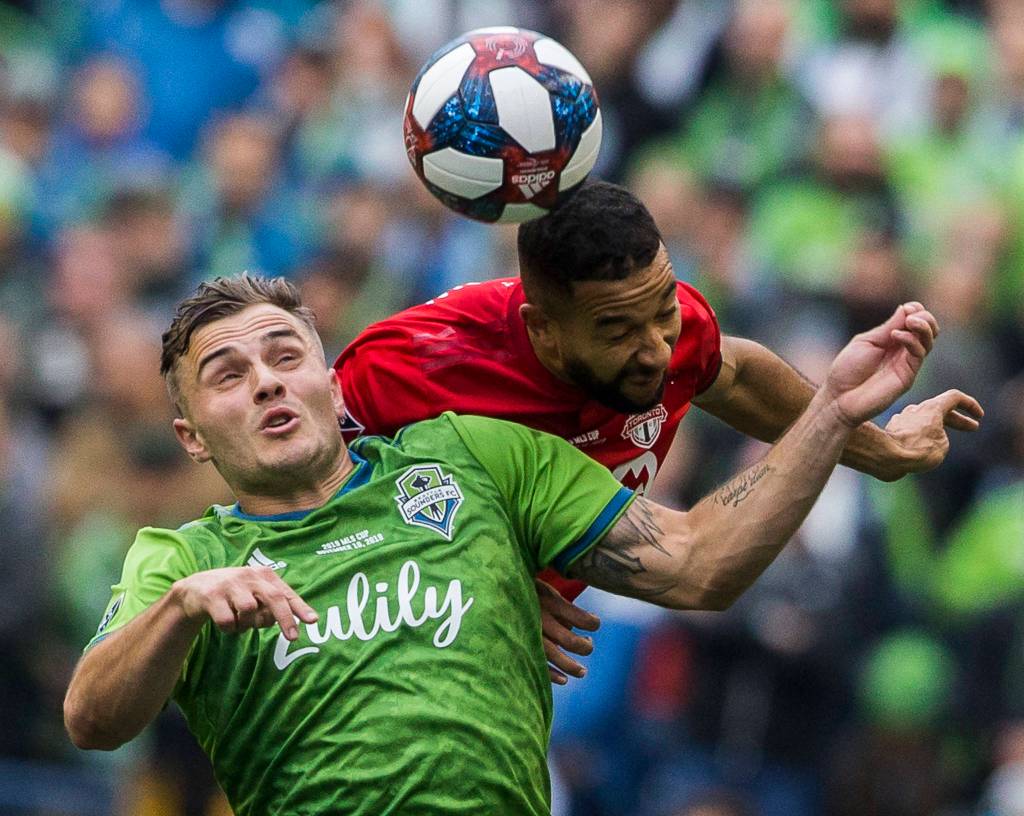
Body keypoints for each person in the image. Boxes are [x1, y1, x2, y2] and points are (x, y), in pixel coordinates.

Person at [63, 274, 980, 815]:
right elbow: (93, 718)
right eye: (228, 375)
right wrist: (181, 613)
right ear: (190, 435)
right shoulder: (182, 559)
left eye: (286, 354)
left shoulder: (472, 457)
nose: (266, 381)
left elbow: (700, 562)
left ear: (331, 379)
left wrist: (831, 414)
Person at [335, 180, 979, 681]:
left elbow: (734, 372)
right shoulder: (405, 366)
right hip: (385, 654)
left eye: (664, 311)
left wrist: (883, 450)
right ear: (542, 331)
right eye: (618, 331)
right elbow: (287, 496)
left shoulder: (671, 325)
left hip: (524, 665)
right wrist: (467, 578)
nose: (657, 351)